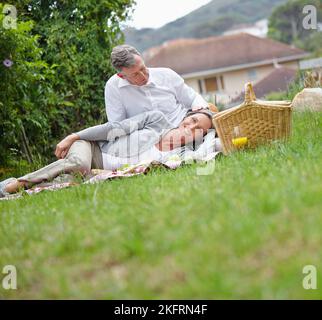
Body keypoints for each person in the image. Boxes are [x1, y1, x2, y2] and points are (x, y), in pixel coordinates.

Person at [0, 109, 219, 197]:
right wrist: (74, 136)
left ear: (201, 136)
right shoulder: (157, 119)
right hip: (90, 147)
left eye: (198, 128)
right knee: (78, 164)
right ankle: (19, 183)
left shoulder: (181, 156)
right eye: (192, 120)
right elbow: (114, 126)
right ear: (185, 116)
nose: (190, 126)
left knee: (60, 185)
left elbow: (217, 145)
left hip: (98, 173)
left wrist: (217, 129)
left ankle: (6, 188)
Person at [105, 44, 209, 126]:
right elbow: (117, 125)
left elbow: (193, 98)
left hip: (184, 124)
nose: (143, 76)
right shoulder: (113, 87)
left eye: (142, 68)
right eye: (135, 74)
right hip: (148, 137)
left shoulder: (166, 74)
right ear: (122, 76)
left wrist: (198, 108)